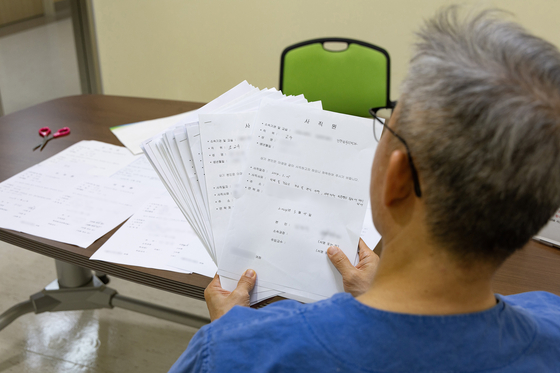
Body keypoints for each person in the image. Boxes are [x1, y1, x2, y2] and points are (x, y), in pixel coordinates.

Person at [170, 6, 560, 372]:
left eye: (388, 127)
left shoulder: (240, 351)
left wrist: (229, 337)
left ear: (398, 180)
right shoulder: (552, 321)